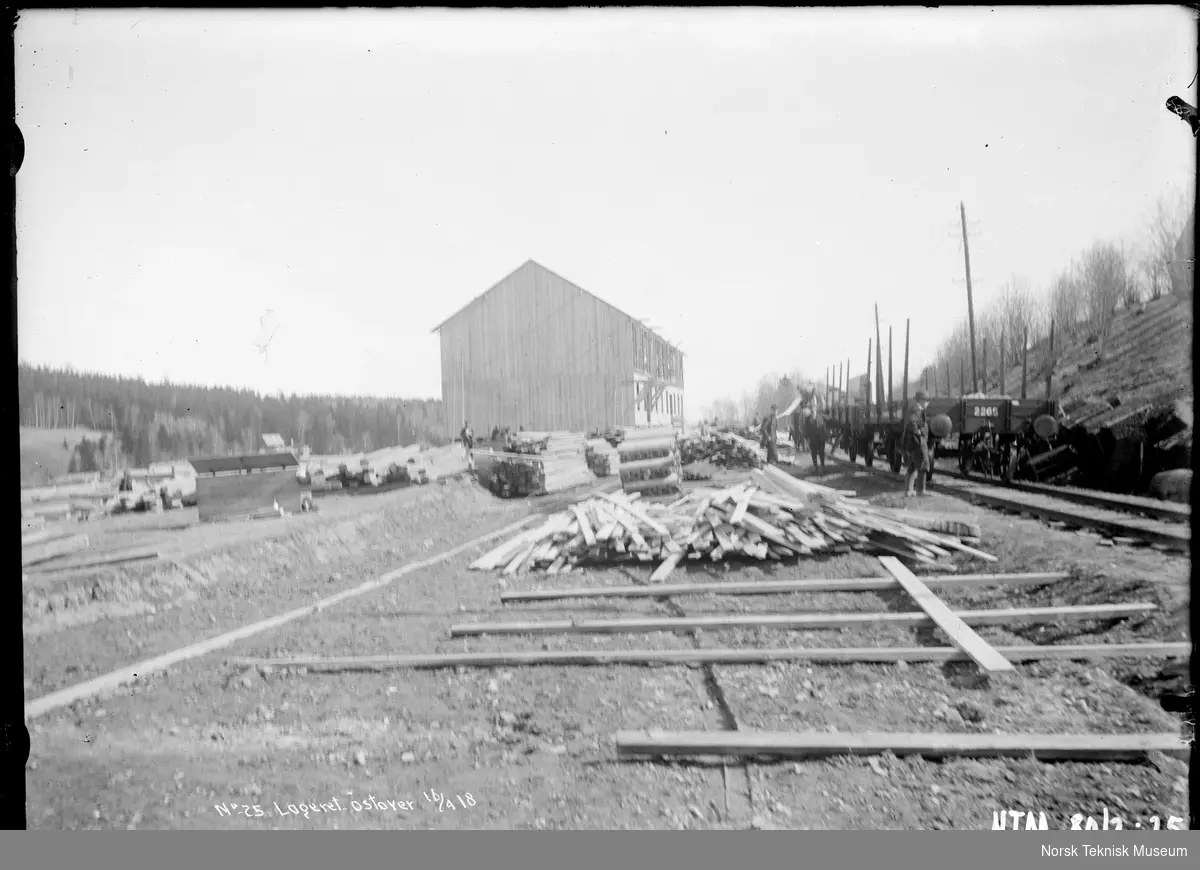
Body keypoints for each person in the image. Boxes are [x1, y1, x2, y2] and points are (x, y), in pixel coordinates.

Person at [902, 390, 931, 497]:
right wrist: (919, 432)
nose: (927, 403)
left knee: (913, 465)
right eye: (927, 401)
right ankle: (920, 490)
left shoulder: (914, 409)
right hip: (917, 441)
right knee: (923, 464)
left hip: (914, 441)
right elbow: (912, 423)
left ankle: (908, 490)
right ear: (922, 400)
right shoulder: (917, 410)